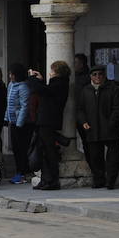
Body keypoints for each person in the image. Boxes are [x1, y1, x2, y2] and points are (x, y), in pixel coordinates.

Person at [76, 65, 119, 189]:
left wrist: (111, 123)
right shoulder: (86, 90)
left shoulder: (113, 89)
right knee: (94, 156)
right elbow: (80, 109)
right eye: (94, 74)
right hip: (92, 129)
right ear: (90, 76)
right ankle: (99, 180)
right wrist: (84, 122)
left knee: (113, 157)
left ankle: (111, 181)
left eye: (100, 74)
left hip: (109, 129)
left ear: (104, 75)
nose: (97, 77)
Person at [27, 61, 71, 191]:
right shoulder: (56, 84)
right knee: (44, 152)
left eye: (52, 71)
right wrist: (40, 80)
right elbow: (45, 91)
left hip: (48, 122)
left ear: (57, 72)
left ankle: (52, 181)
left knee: (49, 152)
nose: (50, 73)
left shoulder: (60, 84)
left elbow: (40, 90)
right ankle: (45, 179)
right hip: (45, 121)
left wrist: (32, 78)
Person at [5, 63, 32, 185]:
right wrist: (6, 118)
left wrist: (19, 123)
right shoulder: (11, 85)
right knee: (16, 149)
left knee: (22, 149)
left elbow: (24, 106)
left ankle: (23, 173)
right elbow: (9, 103)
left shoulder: (24, 87)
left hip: (21, 124)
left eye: (12, 74)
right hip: (13, 121)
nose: (10, 76)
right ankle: (19, 172)